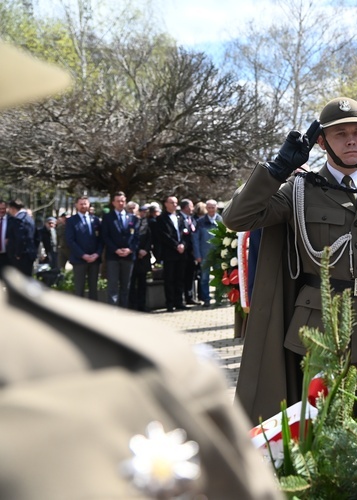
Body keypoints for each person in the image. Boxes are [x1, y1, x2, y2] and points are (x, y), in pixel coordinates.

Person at [0, 40, 282, 500]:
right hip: (106, 259)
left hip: (146, 262)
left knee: (139, 291)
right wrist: (100, 252)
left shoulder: (152, 369)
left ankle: (166, 302)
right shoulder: (152, 370)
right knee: (107, 291)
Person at [222, 96, 357, 423]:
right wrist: (276, 170)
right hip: (315, 330)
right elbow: (237, 218)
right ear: (321, 141)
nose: (351, 139)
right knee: (319, 425)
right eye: (340, 133)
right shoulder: (299, 189)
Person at [101, 191, 139, 308]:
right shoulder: (107, 218)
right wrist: (115, 249)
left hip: (128, 256)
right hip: (113, 256)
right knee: (113, 286)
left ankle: (124, 310)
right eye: (118, 201)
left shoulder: (133, 218)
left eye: (122, 201)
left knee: (125, 286)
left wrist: (130, 249)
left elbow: (136, 237)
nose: (120, 203)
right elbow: (105, 236)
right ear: (113, 203)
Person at [155, 196, 189, 312]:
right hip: (169, 253)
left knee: (180, 278)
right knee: (169, 279)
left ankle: (179, 302)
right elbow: (163, 236)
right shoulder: (161, 219)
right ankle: (170, 303)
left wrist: (183, 244)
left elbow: (185, 233)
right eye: (172, 202)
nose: (174, 205)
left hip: (181, 252)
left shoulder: (180, 217)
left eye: (176, 202)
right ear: (166, 204)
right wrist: (176, 245)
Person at [66, 196, 103, 300]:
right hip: (79, 260)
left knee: (93, 288)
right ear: (76, 205)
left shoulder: (95, 220)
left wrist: (97, 254)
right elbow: (70, 240)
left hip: (94, 260)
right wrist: (83, 255)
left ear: (89, 205)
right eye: (81, 204)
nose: (83, 206)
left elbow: (101, 239)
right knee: (79, 289)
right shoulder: (71, 221)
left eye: (85, 203)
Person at [192, 199, 222, 307]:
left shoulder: (221, 220)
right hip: (204, 255)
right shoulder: (200, 222)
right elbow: (195, 239)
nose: (211, 210)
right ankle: (206, 299)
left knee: (219, 277)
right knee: (204, 278)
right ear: (206, 208)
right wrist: (197, 255)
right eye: (208, 207)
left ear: (216, 208)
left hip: (218, 255)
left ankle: (218, 298)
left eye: (213, 207)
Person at [128, 204, 153, 312]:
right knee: (131, 282)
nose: (133, 211)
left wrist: (145, 250)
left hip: (144, 257)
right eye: (130, 209)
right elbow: (130, 239)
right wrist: (137, 250)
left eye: (135, 209)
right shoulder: (128, 222)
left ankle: (142, 305)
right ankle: (131, 305)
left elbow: (149, 238)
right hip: (132, 256)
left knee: (142, 282)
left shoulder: (145, 222)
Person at [6, 200, 38, 276]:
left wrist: (18, 253)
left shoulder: (19, 220)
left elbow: (20, 238)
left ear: (12, 208)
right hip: (29, 253)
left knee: (21, 279)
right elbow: (36, 237)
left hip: (22, 256)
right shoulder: (29, 218)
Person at [179, 198, 200, 305]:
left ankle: (189, 296)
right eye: (191, 206)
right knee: (181, 276)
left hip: (192, 253)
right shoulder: (179, 218)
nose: (193, 208)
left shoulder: (192, 219)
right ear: (186, 207)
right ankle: (181, 298)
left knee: (190, 276)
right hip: (182, 253)